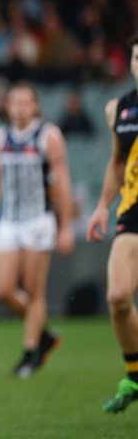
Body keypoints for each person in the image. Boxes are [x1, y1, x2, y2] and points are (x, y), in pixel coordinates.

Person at [0, 80, 74, 378]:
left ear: (35, 106)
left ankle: (31, 352)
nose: (19, 107)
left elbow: (62, 181)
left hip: (38, 220)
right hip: (9, 220)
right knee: (2, 289)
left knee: (33, 288)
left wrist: (65, 225)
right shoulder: (0, 137)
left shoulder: (48, 136)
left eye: (25, 101)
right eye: (14, 101)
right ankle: (43, 334)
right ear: (7, 105)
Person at [86, 32, 138, 413]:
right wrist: (102, 206)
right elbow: (117, 162)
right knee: (118, 297)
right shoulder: (117, 109)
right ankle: (135, 375)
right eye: (137, 57)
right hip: (132, 211)